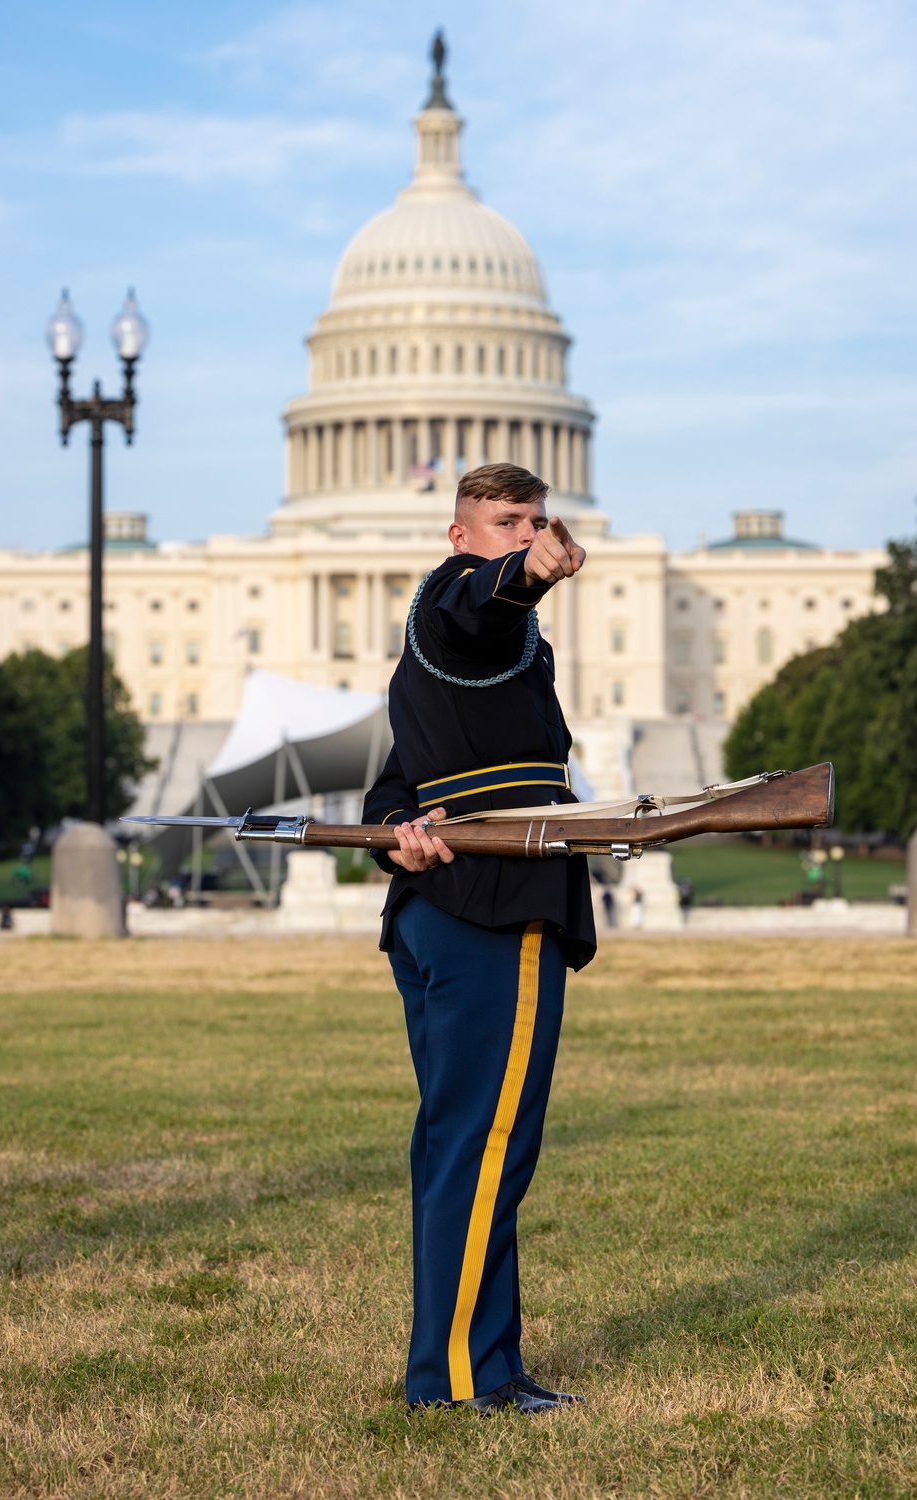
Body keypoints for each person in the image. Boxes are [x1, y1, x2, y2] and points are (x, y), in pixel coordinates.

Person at [362, 462, 596, 1415]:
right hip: (496, 910)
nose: (525, 532)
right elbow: (484, 605)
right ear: (461, 536)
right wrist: (528, 573)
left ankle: (479, 1362)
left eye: (536, 521)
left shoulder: (443, 661)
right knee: (490, 1145)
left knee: (462, 1149)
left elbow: (389, 795)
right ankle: (463, 1382)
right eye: (506, 522)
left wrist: (399, 843)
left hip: (435, 915)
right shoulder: (464, 604)